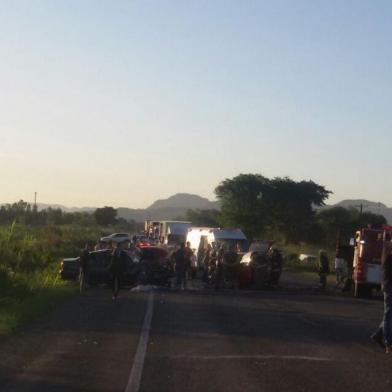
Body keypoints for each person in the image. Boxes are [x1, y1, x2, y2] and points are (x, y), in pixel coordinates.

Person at [371, 240, 392, 354]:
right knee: (389, 315)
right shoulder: (389, 254)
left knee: (389, 314)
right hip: (390, 286)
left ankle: (378, 335)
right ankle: (389, 343)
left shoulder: (387, 251)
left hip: (388, 285)